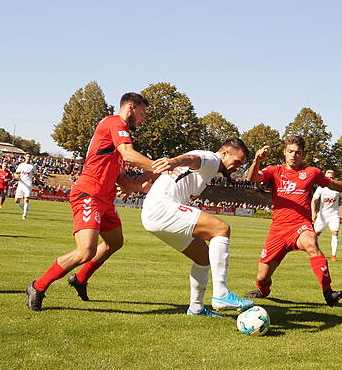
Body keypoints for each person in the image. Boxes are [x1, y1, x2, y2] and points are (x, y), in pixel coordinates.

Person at [26, 92, 162, 312]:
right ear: (130, 107)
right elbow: (128, 154)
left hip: (105, 198)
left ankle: (80, 279)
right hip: (89, 193)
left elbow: (121, 178)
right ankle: (38, 286)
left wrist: (140, 187)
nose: (143, 118)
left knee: (115, 242)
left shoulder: (120, 136)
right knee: (85, 251)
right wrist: (159, 166)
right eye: (142, 113)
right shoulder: (114, 123)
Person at [243, 136, 342, 307]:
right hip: (278, 230)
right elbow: (253, 178)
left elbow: (333, 185)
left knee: (311, 242)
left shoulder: (311, 172)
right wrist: (257, 160)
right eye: (290, 151)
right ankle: (264, 290)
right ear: (284, 152)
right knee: (262, 277)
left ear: (303, 155)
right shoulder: (275, 171)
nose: (294, 155)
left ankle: (328, 292)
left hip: (300, 225)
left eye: (298, 153)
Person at [138, 138, 255, 317]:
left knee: (203, 257)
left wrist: (135, 183)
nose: (237, 167)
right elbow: (192, 159)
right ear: (224, 153)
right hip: (162, 208)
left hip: (153, 215)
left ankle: (196, 308)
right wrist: (173, 161)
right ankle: (221, 294)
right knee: (221, 229)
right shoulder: (213, 160)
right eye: (237, 161)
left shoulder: (211, 164)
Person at [311, 170, 342, 260]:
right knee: (316, 233)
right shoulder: (321, 188)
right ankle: (313, 252)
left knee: (335, 232)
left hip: (334, 215)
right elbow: (314, 200)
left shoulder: (338, 188)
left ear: (334, 178)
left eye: (331, 177)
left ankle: (333, 255)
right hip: (323, 215)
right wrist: (313, 212)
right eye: (328, 177)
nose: (330, 179)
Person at [14, 153, 37, 219]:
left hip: (28, 185)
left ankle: (24, 215)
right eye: (27, 156)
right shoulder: (21, 165)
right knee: (16, 201)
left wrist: (39, 183)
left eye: (29, 156)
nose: (28, 158)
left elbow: (35, 176)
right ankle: (25, 207)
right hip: (21, 184)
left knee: (26, 199)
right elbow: (16, 173)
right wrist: (16, 176)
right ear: (24, 157)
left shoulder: (33, 166)